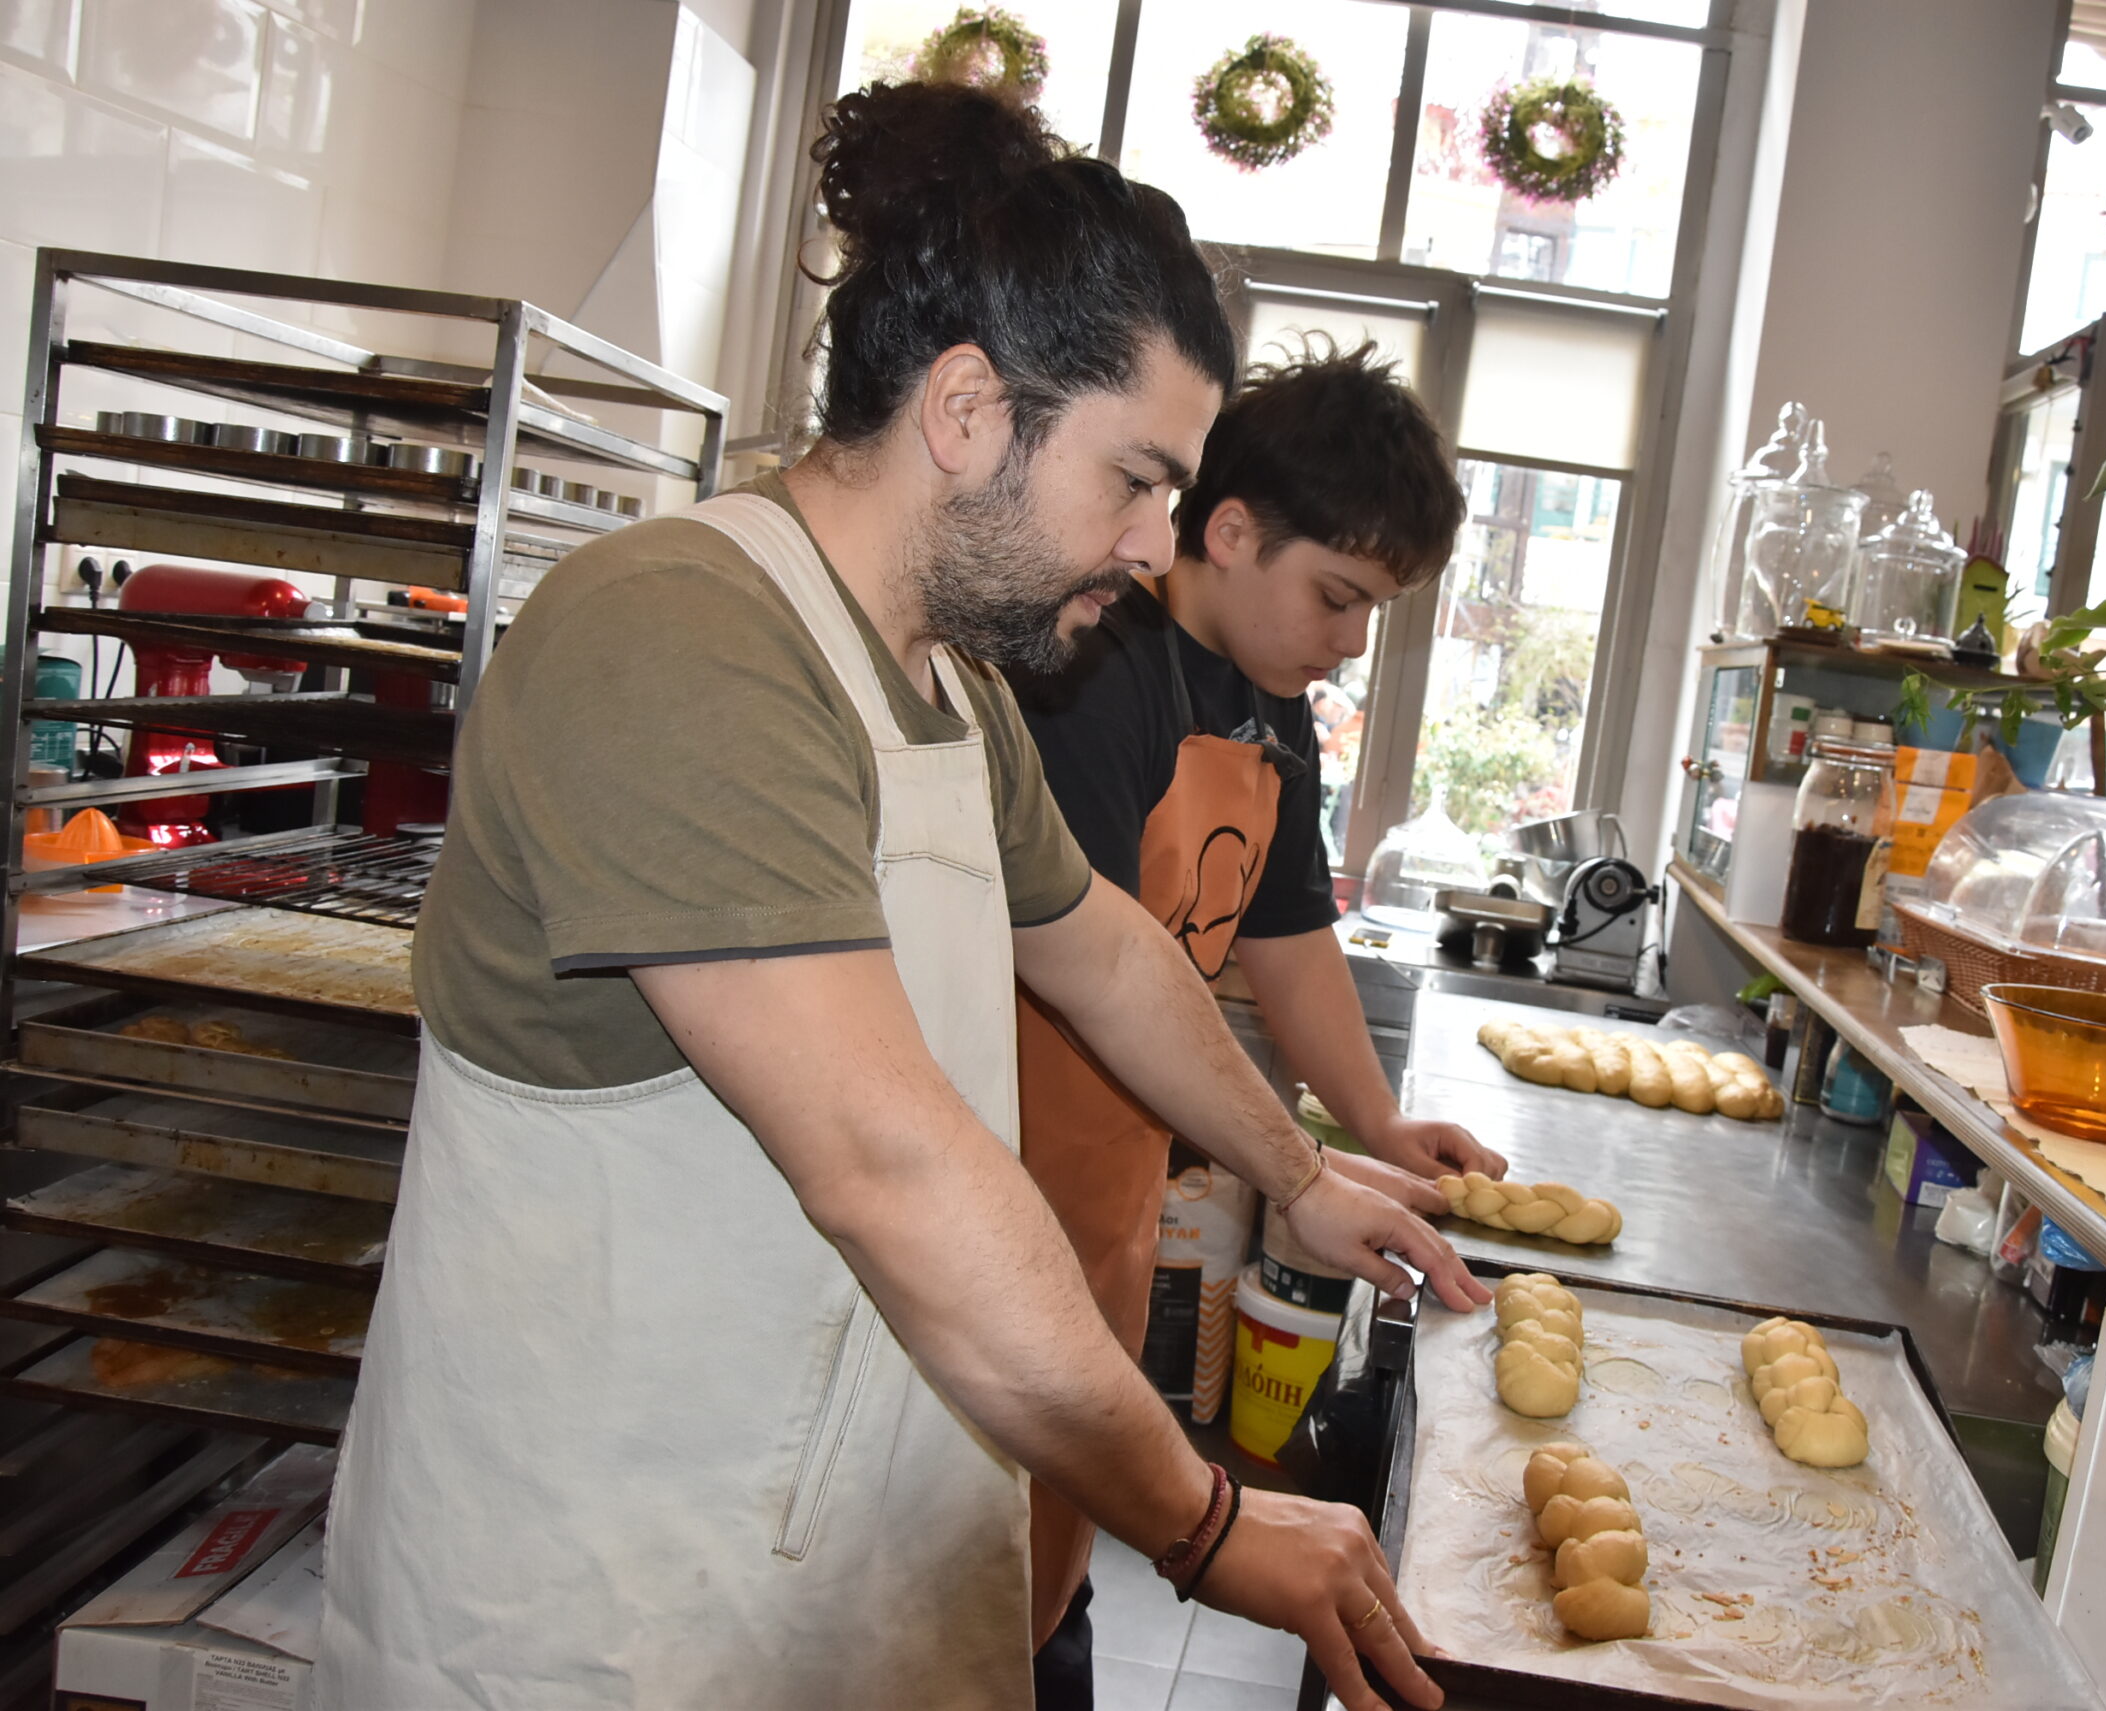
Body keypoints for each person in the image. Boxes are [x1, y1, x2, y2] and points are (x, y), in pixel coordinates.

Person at [314, 84, 1484, 1711]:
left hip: (828, 1573)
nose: (1157, 547)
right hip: (608, 1604)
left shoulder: (951, 690)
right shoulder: (679, 639)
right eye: (1135, 480)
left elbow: (1111, 962)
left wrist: (1298, 1177)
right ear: (964, 409)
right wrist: (1205, 1525)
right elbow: (890, 1168)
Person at [1005, 341, 1506, 1702]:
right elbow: (1094, 969)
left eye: (1374, 616)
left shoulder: (1271, 719)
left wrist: (1379, 1125)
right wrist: (1294, 1169)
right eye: (1338, 599)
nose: (1351, 644)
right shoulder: (1097, 671)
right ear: (1227, 532)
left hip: (1105, 1202)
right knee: (975, 1574)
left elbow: (1289, 945)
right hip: (998, 1189)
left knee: (1049, 1565)